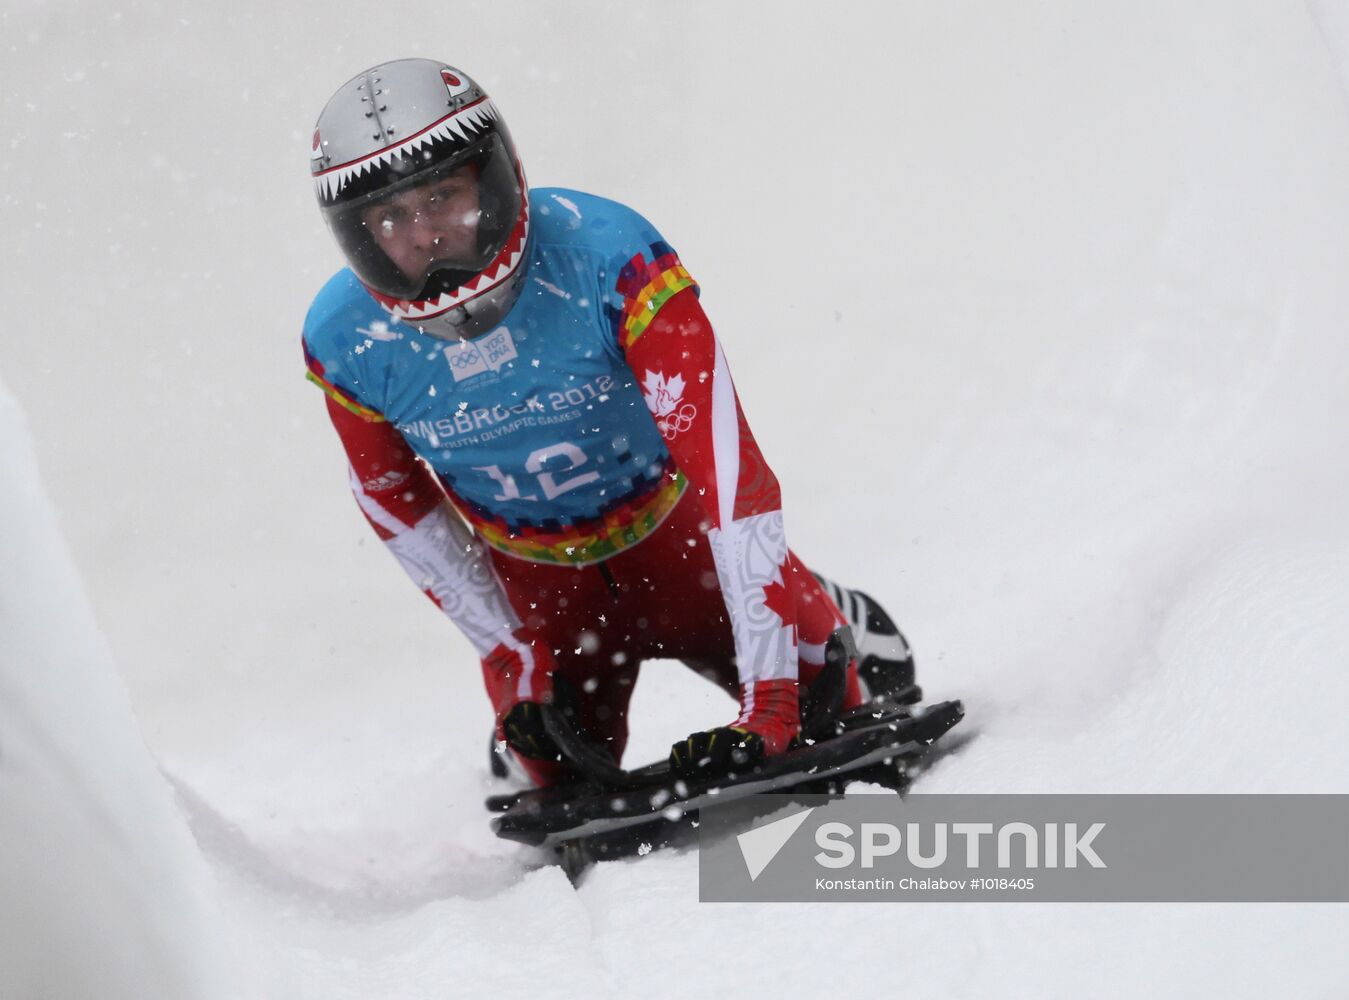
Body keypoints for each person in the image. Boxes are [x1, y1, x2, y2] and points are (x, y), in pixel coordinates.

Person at [302, 58, 914, 787]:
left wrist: (772, 700)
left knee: (832, 701)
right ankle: (548, 722)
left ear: (496, 178)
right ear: (357, 234)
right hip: (546, 602)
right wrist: (512, 658)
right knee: (548, 767)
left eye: (442, 196)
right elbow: (393, 501)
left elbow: (728, 470)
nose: (424, 235)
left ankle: (822, 607)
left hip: (684, 550)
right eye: (392, 217)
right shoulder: (343, 338)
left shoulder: (610, 255)